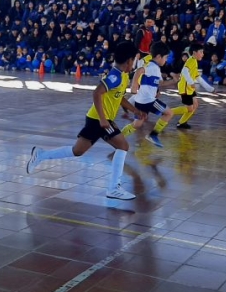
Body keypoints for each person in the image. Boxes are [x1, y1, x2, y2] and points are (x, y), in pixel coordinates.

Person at [26, 42, 144, 201]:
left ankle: (41, 155)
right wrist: (103, 119)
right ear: (129, 60)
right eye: (135, 59)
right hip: (98, 120)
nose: (135, 63)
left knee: (78, 151)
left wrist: (134, 110)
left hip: (101, 120)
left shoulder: (122, 75)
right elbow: (97, 93)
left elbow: (119, 97)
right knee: (123, 146)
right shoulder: (115, 76)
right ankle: (113, 188)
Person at [128, 42, 187, 148]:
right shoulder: (151, 66)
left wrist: (174, 81)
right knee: (169, 113)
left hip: (141, 100)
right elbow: (139, 71)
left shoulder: (156, 68)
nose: (166, 60)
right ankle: (153, 135)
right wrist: (134, 86)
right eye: (166, 57)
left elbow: (161, 83)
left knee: (137, 124)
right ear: (159, 56)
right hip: (148, 100)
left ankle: (119, 136)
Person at [176, 43, 215, 129]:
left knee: (195, 105)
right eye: (201, 52)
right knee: (189, 108)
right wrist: (190, 82)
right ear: (194, 52)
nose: (203, 54)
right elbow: (184, 71)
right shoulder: (191, 61)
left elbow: (198, 77)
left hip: (189, 88)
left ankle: (181, 122)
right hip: (185, 88)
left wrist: (210, 89)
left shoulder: (194, 61)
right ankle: (168, 112)